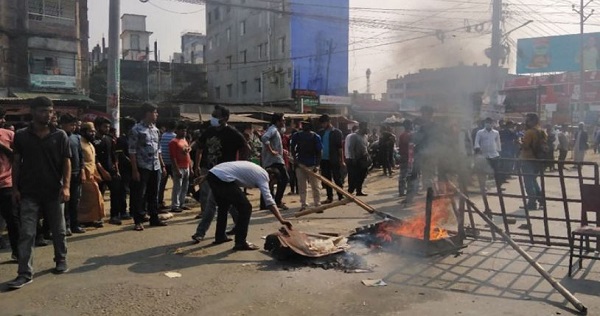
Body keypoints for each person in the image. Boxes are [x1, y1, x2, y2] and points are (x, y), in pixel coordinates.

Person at [9, 97, 71, 289]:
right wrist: (14, 188)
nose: (48, 114)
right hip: (29, 192)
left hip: (54, 191)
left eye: (50, 111)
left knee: (58, 230)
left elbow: (67, 162)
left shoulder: (60, 135)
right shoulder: (21, 135)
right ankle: (24, 273)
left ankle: (61, 259)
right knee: (27, 233)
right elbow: (16, 163)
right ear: (33, 111)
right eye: (44, 110)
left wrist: (66, 186)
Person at [206, 161, 292, 250]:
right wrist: (281, 219)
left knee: (223, 206)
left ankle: (220, 236)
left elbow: (228, 168)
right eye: (274, 183)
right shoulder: (264, 177)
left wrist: (205, 177)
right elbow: (269, 201)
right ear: (272, 176)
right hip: (223, 178)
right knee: (246, 208)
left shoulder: (256, 170)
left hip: (214, 175)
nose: (271, 185)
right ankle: (240, 242)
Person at [192, 105, 246, 243]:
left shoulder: (232, 133)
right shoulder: (209, 131)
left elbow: (246, 147)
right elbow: (199, 145)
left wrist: (239, 167)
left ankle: (200, 232)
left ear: (225, 118)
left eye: (216, 116)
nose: (213, 118)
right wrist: (192, 156)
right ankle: (239, 225)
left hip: (224, 173)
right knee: (227, 202)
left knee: (212, 202)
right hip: (209, 171)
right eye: (213, 115)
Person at [128, 103, 168, 231]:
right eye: (154, 112)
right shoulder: (136, 129)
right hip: (142, 166)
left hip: (155, 166)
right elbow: (132, 151)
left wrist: (162, 165)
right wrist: (134, 170)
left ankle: (154, 218)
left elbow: (158, 149)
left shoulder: (155, 130)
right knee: (139, 194)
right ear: (147, 113)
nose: (156, 114)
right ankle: (138, 220)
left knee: (153, 193)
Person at [93, 117, 123, 225]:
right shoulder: (93, 140)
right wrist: (103, 171)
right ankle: (98, 216)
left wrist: (117, 169)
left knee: (115, 193)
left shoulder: (110, 139)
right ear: (97, 127)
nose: (107, 129)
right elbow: (94, 158)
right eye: (105, 126)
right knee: (99, 194)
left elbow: (114, 155)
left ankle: (114, 216)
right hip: (98, 171)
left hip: (111, 169)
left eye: (108, 127)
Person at [59, 114, 85, 235]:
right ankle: (66, 225)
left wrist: (82, 170)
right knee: (65, 202)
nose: (73, 127)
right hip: (63, 175)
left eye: (74, 125)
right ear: (62, 124)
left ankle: (75, 224)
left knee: (75, 201)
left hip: (76, 173)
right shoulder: (58, 136)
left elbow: (80, 155)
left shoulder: (76, 137)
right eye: (71, 125)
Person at [0, 107, 19, 261]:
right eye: (1, 117)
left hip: (6, 184)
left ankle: (17, 252)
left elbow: (17, 157)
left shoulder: (9, 135)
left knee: (12, 220)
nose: (3, 121)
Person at [290, 120, 323, 211]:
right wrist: (295, 160)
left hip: (312, 164)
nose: (304, 126)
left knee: (315, 186)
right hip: (301, 164)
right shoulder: (297, 136)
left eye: (306, 125)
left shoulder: (315, 137)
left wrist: (317, 165)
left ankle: (317, 204)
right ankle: (304, 204)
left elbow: (319, 152)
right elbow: (292, 148)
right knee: (302, 185)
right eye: (303, 125)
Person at [78, 123, 105, 227]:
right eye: (90, 131)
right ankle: (82, 221)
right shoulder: (80, 143)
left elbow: (93, 161)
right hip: (84, 175)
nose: (93, 133)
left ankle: (91, 219)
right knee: (85, 201)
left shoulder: (90, 143)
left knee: (95, 198)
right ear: (84, 131)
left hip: (92, 175)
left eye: (94, 131)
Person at [260, 113, 289, 210]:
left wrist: (282, 151)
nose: (284, 122)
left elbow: (273, 143)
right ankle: (277, 201)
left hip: (274, 159)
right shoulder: (273, 130)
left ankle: (267, 203)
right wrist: (271, 151)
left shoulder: (276, 131)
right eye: (283, 120)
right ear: (278, 121)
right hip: (274, 160)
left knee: (270, 180)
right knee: (284, 178)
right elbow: (264, 138)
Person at [520, 113, 545, 210]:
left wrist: (520, 143)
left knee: (528, 182)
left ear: (532, 121)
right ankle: (541, 200)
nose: (526, 122)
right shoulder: (542, 132)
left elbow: (526, 146)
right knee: (533, 180)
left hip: (528, 159)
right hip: (538, 159)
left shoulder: (529, 132)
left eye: (528, 120)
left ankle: (532, 202)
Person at [317, 114, 345, 203]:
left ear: (329, 122)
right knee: (327, 179)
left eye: (324, 123)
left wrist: (342, 160)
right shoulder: (320, 133)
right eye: (322, 124)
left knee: (337, 178)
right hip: (324, 160)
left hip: (334, 159)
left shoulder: (337, 132)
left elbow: (340, 148)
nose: (323, 125)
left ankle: (341, 196)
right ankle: (330, 197)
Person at [115, 117, 136, 219]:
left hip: (134, 168)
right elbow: (121, 154)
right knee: (123, 190)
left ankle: (133, 210)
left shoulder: (134, 138)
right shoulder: (121, 139)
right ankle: (123, 211)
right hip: (125, 168)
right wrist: (131, 162)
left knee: (134, 190)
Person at [169, 122, 192, 212]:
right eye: (182, 130)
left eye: (185, 131)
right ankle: (175, 205)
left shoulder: (185, 140)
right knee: (177, 187)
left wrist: (190, 167)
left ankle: (182, 203)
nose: (184, 132)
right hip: (179, 167)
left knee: (185, 187)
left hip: (186, 166)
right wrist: (177, 169)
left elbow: (188, 155)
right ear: (177, 131)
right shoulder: (173, 142)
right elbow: (173, 156)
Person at [474, 117, 502, 184]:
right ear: (484, 123)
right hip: (484, 155)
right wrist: (478, 148)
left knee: (496, 172)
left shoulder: (496, 132)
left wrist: (499, 150)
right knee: (483, 172)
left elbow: (498, 142)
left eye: (489, 122)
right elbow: (476, 142)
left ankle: (499, 187)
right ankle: (483, 186)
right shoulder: (480, 132)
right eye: (487, 122)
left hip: (494, 155)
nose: (488, 124)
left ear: (492, 124)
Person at [347, 121, 370, 196]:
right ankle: (350, 191)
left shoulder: (365, 136)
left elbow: (366, 147)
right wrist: (353, 158)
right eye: (365, 127)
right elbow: (351, 148)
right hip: (356, 159)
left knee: (362, 175)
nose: (366, 129)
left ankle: (359, 191)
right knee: (353, 176)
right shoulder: (354, 136)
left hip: (364, 159)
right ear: (361, 127)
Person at [158, 121, 176, 210]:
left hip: (163, 163)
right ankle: (175, 202)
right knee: (176, 184)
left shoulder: (162, 136)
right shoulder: (175, 137)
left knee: (162, 185)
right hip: (172, 163)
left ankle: (160, 202)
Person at [397, 120, 412, 197]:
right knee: (404, 175)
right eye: (411, 124)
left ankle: (405, 190)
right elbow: (407, 143)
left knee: (407, 174)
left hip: (407, 157)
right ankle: (402, 191)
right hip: (405, 157)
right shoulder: (406, 135)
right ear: (408, 125)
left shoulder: (405, 134)